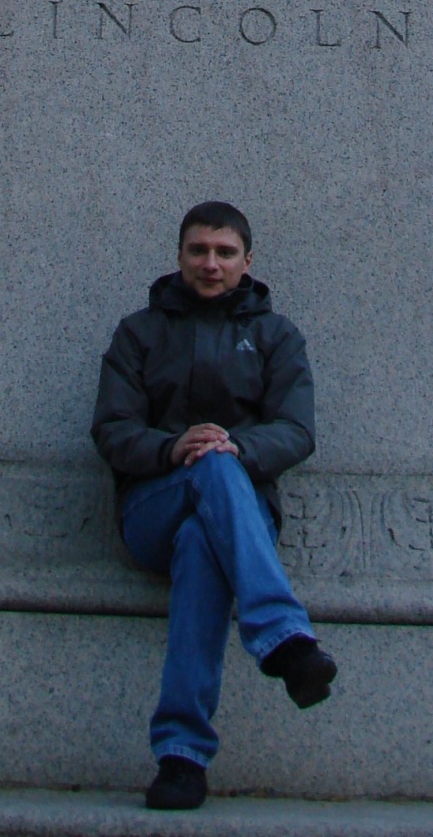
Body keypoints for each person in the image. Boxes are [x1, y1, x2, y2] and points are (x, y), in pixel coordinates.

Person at [91, 200, 336, 812]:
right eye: (198, 250)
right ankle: (283, 639)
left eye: (225, 252)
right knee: (209, 463)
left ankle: (181, 759)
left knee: (205, 537)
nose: (211, 263)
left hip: (239, 514)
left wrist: (238, 448)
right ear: (179, 256)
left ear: (247, 261)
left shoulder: (278, 336)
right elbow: (112, 429)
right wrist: (172, 447)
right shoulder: (138, 333)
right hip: (153, 506)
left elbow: (296, 430)